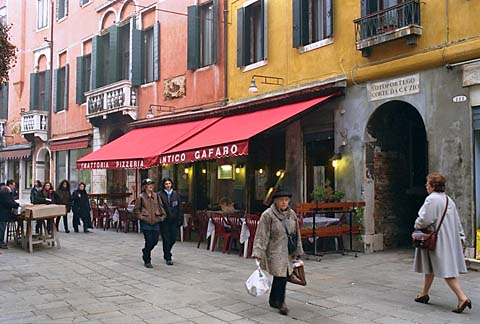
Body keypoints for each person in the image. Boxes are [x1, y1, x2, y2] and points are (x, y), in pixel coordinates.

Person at [413, 172, 471, 313]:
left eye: (428, 183)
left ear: (433, 185)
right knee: (430, 267)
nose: (426, 186)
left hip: (436, 240)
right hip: (446, 238)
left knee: (446, 269)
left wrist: (416, 224)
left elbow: (424, 220)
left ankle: (462, 298)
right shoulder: (448, 199)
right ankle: (423, 294)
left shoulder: (431, 200)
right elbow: (457, 222)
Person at [252, 189, 303, 316]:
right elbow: (261, 234)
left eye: (286, 200)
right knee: (282, 276)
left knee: (281, 275)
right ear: (275, 201)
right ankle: (281, 303)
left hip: (288, 251)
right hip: (274, 250)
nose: (284, 202)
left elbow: (296, 233)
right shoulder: (268, 215)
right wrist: (258, 251)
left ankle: (273, 299)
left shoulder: (291, 214)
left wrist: (298, 249)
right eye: (281, 200)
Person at [134, 178, 166, 268]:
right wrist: (141, 217)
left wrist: (162, 216)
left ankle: (145, 251)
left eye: (152, 184)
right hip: (146, 222)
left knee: (155, 241)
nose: (151, 186)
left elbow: (161, 206)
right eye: (149, 184)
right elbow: (136, 210)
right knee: (149, 241)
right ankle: (147, 259)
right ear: (145, 187)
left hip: (156, 221)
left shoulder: (156, 196)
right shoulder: (140, 197)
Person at [158, 177, 182, 266]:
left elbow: (179, 207)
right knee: (166, 238)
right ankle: (168, 256)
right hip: (165, 220)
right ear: (163, 185)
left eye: (169, 183)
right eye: (166, 184)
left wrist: (180, 218)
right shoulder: (160, 195)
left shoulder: (176, 194)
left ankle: (167, 251)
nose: (168, 185)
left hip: (174, 220)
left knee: (173, 237)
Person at [0, 180, 20, 249]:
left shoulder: (7, 191)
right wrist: (17, 205)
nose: (14, 187)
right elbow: (8, 202)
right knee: (2, 228)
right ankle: (1, 242)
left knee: (2, 227)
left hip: (4, 212)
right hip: (3, 213)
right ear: (10, 185)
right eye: (13, 185)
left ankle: (1, 242)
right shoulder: (5, 191)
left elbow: (11, 201)